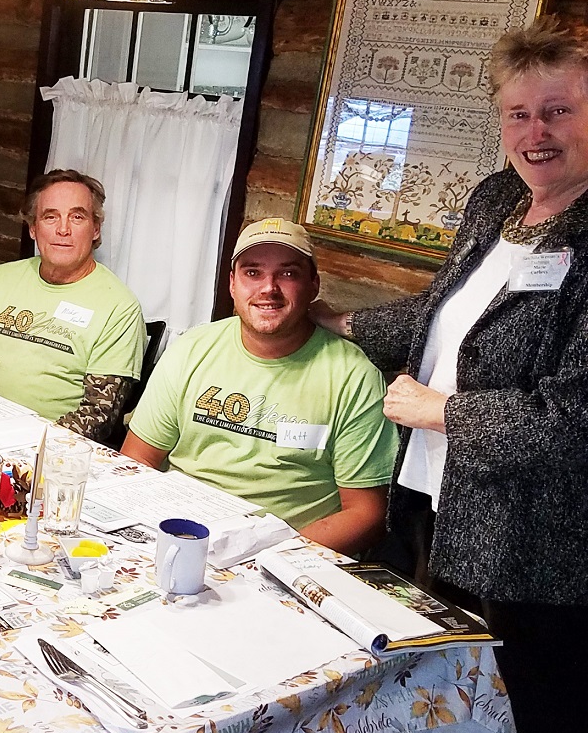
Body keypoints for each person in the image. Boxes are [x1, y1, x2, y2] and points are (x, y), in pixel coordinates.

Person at [310, 14, 588, 733]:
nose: (535, 133)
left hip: (539, 545)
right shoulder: (498, 199)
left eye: (559, 111)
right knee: (456, 716)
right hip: (443, 505)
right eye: (518, 113)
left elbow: (576, 417)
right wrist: (337, 325)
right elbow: (443, 318)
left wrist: (445, 412)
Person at [122, 218, 397, 555]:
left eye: (288, 273)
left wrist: (272, 561)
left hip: (281, 552)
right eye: (253, 272)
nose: (269, 287)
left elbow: (365, 513)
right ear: (233, 284)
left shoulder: (354, 376)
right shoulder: (191, 349)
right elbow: (138, 458)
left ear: (313, 286)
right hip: (178, 535)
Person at [0, 169, 146, 441]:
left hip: (47, 449)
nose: (63, 229)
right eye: (50, 217)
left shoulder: (120, 308)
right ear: (33, 228)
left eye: (77, 217)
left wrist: (28, 446)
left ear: (95, 228)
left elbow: (98, 415)